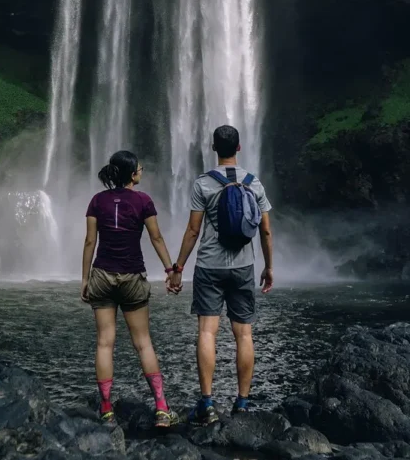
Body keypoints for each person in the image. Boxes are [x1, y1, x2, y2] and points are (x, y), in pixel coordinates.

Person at [168, 125, 274, 424]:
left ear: (213, 147)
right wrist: (268, 266)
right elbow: (265, 230)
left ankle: (207, 403)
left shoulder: (203, 183)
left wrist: (178, 268)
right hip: (243, 266)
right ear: (239, 148)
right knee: (244, 334)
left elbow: (192, 230)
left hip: (209, 266)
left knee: (206, 332)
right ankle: (242, 402)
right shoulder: (255, 184)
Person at [82, 150, 179, 428]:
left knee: (104, 343)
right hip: (133, 276)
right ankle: (161, 409)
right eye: (139, 167)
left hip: (101, 274)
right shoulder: (143, 201)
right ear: (132, 174)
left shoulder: (97, 201)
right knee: (143, 342)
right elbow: (156, 237)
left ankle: (106, 410)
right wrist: (171, 270)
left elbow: (90, 242)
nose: (142, 169)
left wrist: (85, 278)